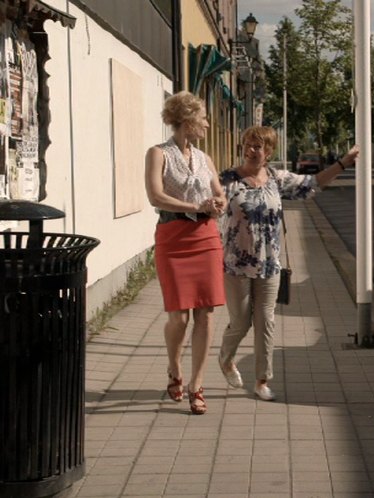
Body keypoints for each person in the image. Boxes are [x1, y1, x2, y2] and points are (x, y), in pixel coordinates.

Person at [218, 126, 359, 401]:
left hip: (270, 264)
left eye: (257, 146)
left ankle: (261, 380)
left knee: (266, 321)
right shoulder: (228, 179)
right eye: (247, 144)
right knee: (241, 322)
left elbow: (313, 183)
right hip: (236, 265)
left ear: (269, 151)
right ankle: (225, 358)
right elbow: (212, 204)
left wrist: (343, 163)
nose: (251, 150)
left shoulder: (276, 179)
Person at [144, 91, 226, 415]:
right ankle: (174, 366)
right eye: (203, 119)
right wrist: (195, 205)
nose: (207, 124)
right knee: (178, 316)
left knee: (206, 313)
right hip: (173, 238)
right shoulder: (157, 154)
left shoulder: (205, 158)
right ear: (188, 120)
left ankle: (197, 384)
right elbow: (155, 196)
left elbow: (218, 192)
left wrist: (218, 203)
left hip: (206, 237)